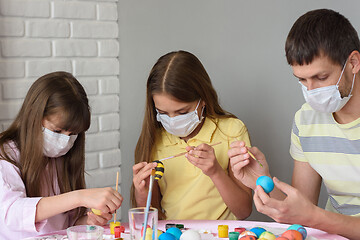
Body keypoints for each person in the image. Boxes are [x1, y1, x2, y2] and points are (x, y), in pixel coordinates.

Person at [228, 9, 360, 239]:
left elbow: (310, 215)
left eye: (321, 78)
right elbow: (301, 208)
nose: (312, 91)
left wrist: (316, 217)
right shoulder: (306, 119)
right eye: (302, 80)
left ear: (353, 62)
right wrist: (263, 181)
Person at [0, 72, 123, 239]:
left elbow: (65, 225)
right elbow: (12, 213)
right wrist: (80, 197)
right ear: (34, 116)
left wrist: (88, 222)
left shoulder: (62, 159)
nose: (64, 141)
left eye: (72, 134)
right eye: (57, 131)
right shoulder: (7, 154)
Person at [132, 50, 252, 220]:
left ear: (203, 100)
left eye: (182, 112)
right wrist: (142, 193)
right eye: (163, 113)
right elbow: (151, 220)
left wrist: (215, 172)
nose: (172, 121)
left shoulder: (231, 131)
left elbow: (244, 211)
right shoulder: (154, 141)